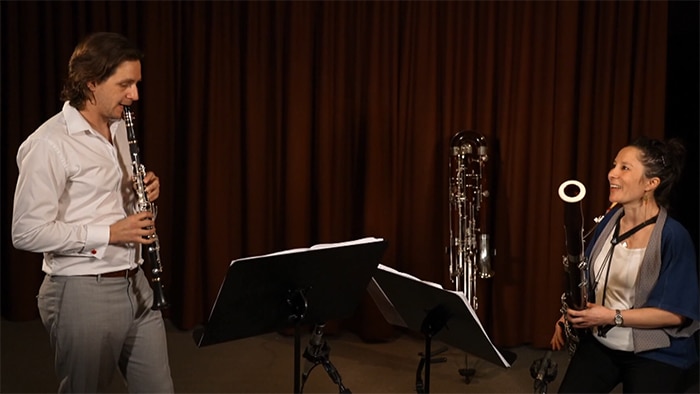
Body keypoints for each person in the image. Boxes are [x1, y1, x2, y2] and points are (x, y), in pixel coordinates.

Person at [11, 32, 174, 393]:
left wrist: (145, 193)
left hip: (136, 283)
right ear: (91, 84)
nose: (135, 95)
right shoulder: (48, 144)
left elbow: (116, 205)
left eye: (136, 83)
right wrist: (110, 233)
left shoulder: (117, 128)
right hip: (82, 290)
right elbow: (25, 232)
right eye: (125, 85)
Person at [550, 136, 699, 393]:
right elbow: (590, 280)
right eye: (614, 165)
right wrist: (569, 314)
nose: (611, 174)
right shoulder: (608, 222)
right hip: (602, 342)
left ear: (651, 183)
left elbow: (676, 314)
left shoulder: (673, 236)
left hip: (656, 351)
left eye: (624, 168)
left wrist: (611, 316)